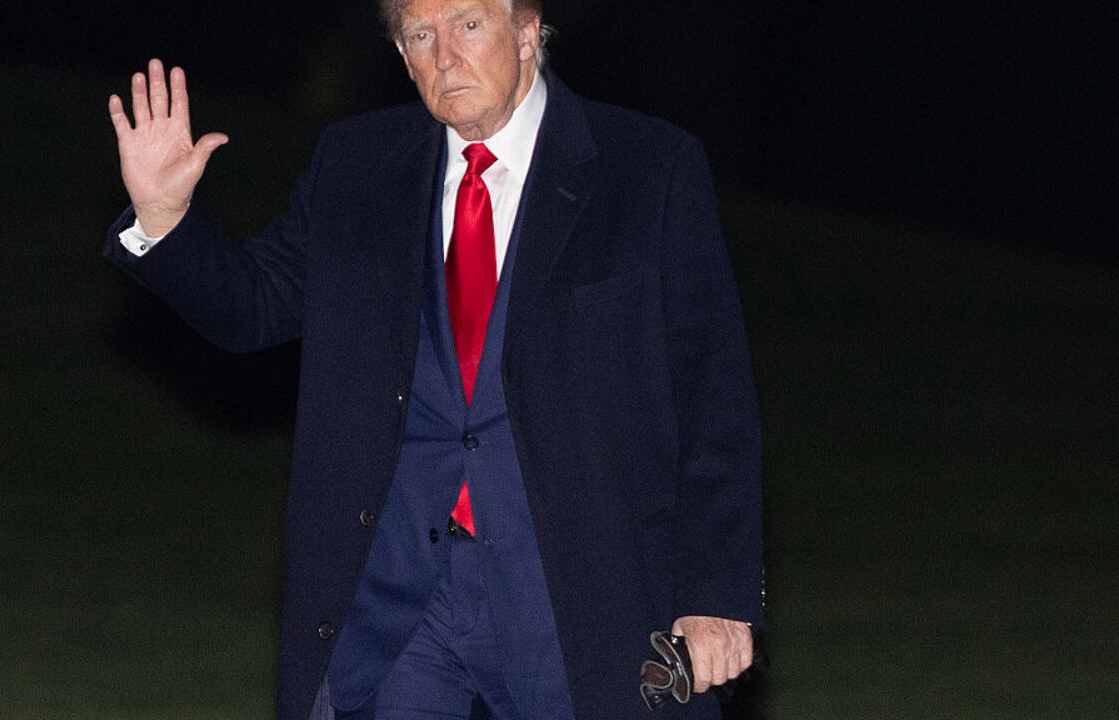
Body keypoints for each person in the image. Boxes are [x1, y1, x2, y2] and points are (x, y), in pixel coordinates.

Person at [104, 0, 762, 718]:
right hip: (395, 598)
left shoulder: (647, 169)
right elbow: (252, 307)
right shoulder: (355, 166)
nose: (443, 55)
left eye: (468, 25)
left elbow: (713, 398)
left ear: (528, 30)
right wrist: (165, 221)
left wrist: (715, 595)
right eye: (420, 34)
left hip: (577, 596)